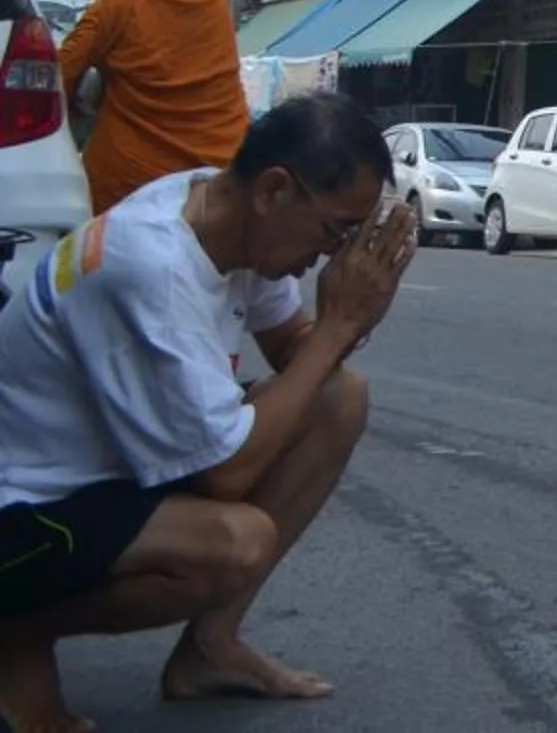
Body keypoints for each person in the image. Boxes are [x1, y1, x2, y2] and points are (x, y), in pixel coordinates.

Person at [0, 93, 413, 733]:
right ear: (275, 191)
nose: (334, 255)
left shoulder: (223, 213)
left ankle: (208, 649)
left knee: (340, 397)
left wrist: (351, 320)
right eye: (336, 232)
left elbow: (292, 350)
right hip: (25, 505)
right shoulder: (152, 266)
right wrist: (338, 328)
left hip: (105, 480)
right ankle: (14, 634)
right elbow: (227, 475)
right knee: (234, 543)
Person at [57, 0, 251, 213]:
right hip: (213, 170)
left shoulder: (117, 5)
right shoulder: (214, 5)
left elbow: (62, 71)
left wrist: (70, 120)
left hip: (132, 180)